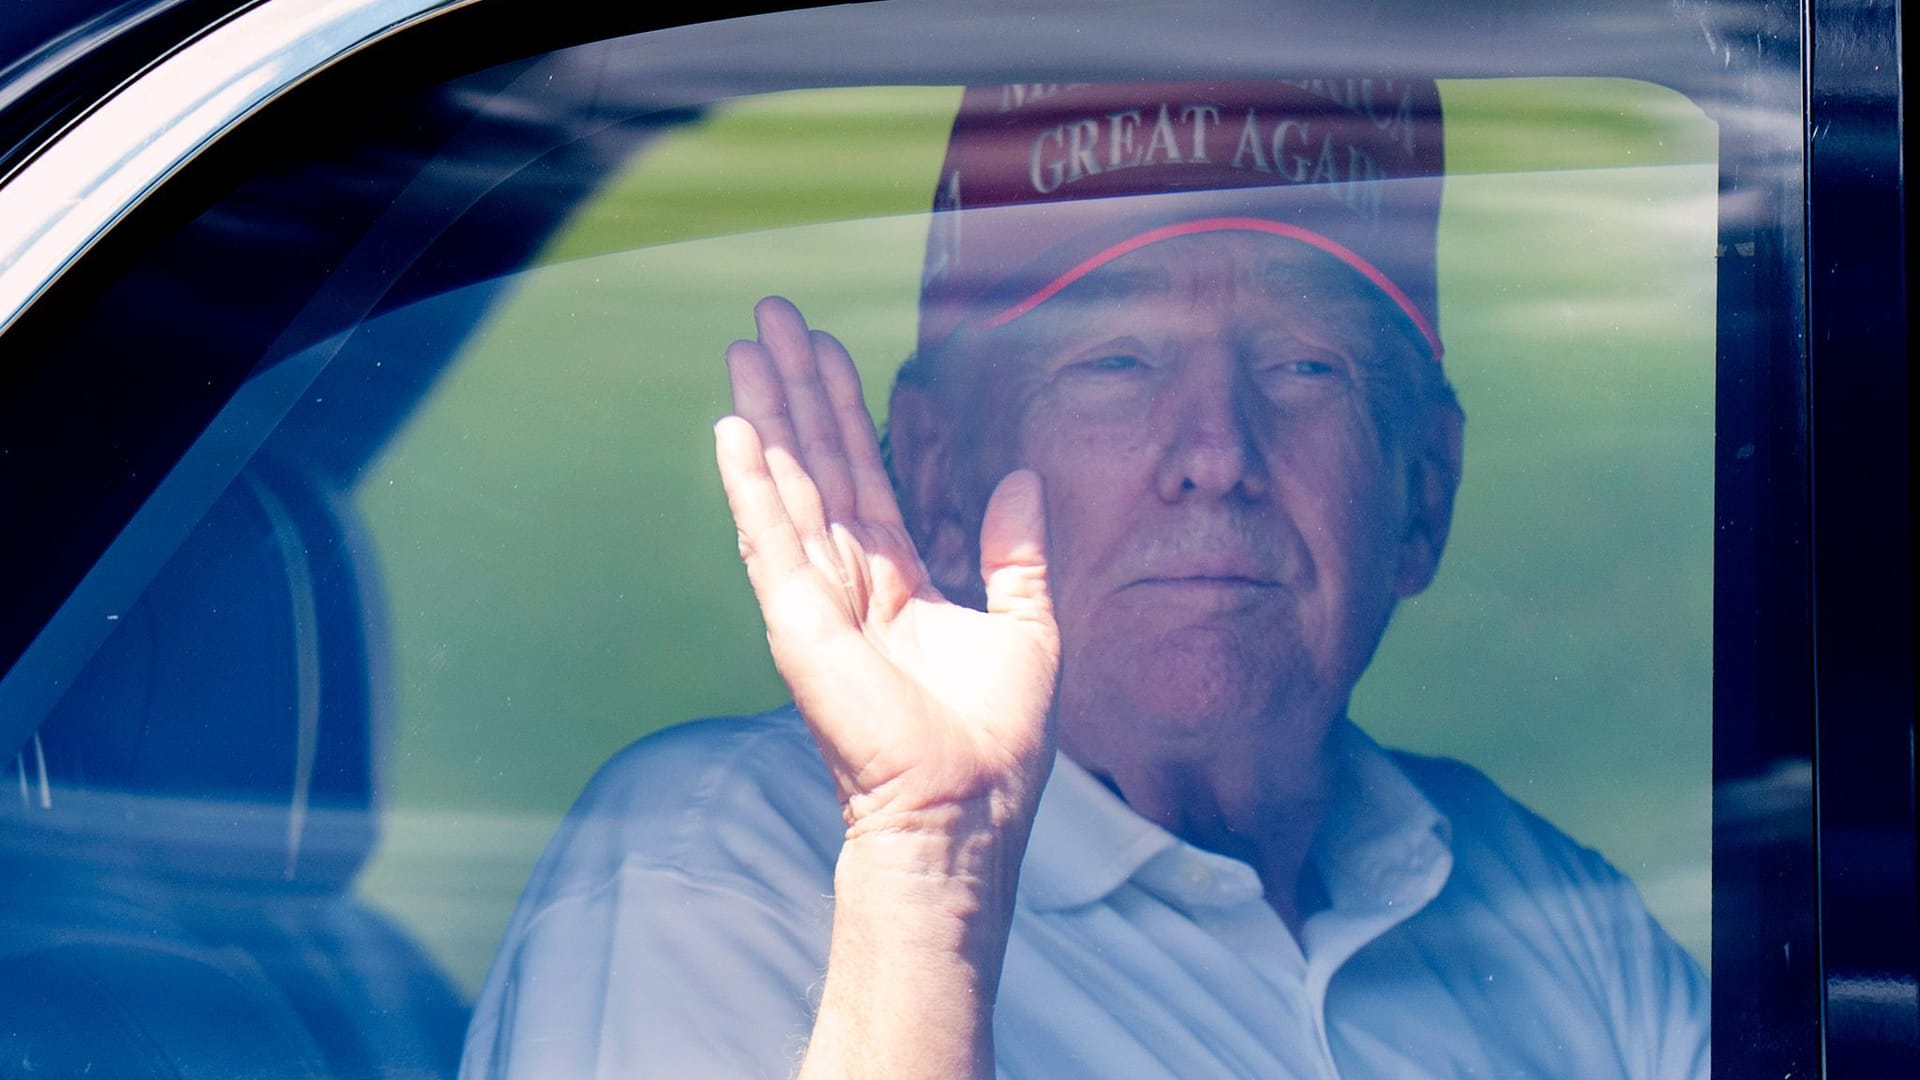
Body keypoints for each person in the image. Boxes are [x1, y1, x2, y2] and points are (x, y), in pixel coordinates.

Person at [461, 80, 1708, 1079]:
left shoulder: (1556, 925)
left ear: (1422, 493)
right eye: (1115, 362)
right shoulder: (718, 867)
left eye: (1304, 365)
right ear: (939, 476)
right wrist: (925, 873)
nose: (1216, 455)